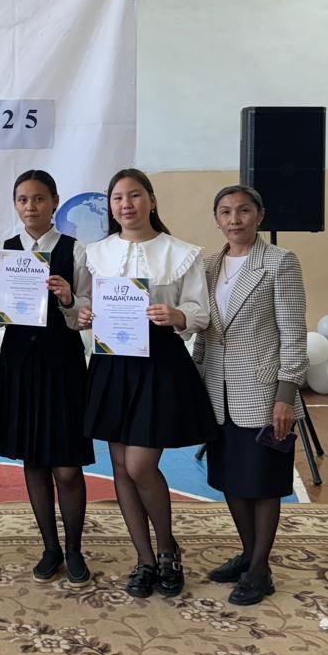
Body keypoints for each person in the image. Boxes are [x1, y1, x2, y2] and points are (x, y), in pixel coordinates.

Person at [79, 168, 215, 599]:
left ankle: (168, 548)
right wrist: (84, 314)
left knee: (139, 465)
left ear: (151, 201)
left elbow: (200, 312)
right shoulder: (95, 253)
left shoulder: (182, 253)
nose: (126, 205)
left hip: (158, 362)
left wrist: (177, 315)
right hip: (112, 363)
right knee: (120, 467)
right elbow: (85, 303)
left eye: (134, 195)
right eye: (117, 198)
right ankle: (144, 559)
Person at [195, 185, 308, 606]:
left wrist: (286, 395)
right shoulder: (209, 266)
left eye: (244, 210)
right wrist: (193, 381)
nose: (235, 219)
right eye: (225, 212)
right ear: (217, 219)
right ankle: (248, 553)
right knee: (230, 479)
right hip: (217, 392)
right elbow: (205, 333)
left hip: (263, 392)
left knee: (263, 482)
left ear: (260, 215)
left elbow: (294, 334)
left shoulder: (280, 263)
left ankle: (260, 570)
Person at [0, 170, 94, 584]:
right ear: (15, 205)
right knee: (33, 461)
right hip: (19, 364)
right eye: (22, 199)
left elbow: (87, 314)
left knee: (67, 467)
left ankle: (74, 549)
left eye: (38, 199)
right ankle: (50, 548)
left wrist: (69, 298)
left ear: (54, 202)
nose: (30, 207)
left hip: (62, 364)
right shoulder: (7, 251)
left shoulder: (75, 250)